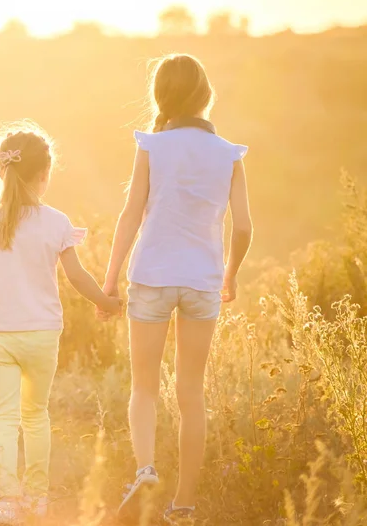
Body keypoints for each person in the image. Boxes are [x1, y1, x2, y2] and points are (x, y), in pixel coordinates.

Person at [102, 54, 253, 524]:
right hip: (202, 280)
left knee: (144, 387)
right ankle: (184, 505)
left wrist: (109, 279)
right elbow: (244, 227)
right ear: (206, 95)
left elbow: (131, 214)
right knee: (192, 393)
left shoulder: (152, 145)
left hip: (151, 275)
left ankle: (145, 468)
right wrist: (229, 274)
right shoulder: (229, 153)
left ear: (161, 97)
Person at [0, 122, 122, 525]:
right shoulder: (56, 222)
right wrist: (105, 302)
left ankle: (6, 503)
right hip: (41, 335)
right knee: (35, 415)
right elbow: (76, 276)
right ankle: (36, 499)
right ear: (44, 175)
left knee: (3, 417)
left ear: (2, 172)